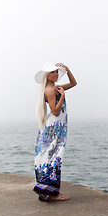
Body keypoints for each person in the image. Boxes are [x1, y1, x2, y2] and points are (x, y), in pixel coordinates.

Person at [33, 62, 77, 201]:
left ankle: (48, 192)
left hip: (57, 128)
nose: (56, 74)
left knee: (52, 158)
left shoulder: (55, 87)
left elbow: (73, 83)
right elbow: (55, 111)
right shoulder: (50, 90)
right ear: (47, 75)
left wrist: (67, 69)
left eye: (57, 72)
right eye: (53, 72)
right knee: (53, 159)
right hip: (54, 128)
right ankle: (53, 194)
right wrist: (62, 96)